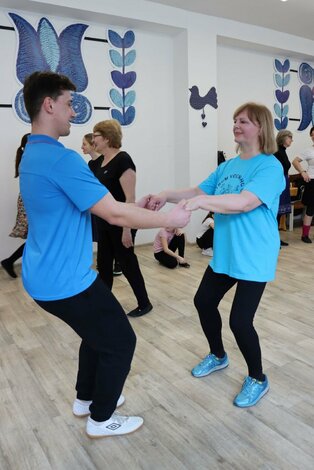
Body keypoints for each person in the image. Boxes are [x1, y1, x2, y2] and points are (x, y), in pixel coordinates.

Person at [19, 71, 190, 438]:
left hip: (44, 275)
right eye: (68, 104)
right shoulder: (62, 159)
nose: (73, 114)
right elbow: (113, 213)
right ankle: (101, 418)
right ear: (49, 105)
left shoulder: (31, 153)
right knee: (121, 342)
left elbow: (103, 203)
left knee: (95, 334)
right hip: (66, 280)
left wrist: (139, 206)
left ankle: (85, 399)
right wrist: (168, 218)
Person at [147, 102, 285, 408]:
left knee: (240, 321)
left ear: (260, 127)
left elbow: (245, 202)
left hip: (254, 254)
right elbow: (198, 191)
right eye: (235, 120)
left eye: (244, 121)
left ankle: (258, 378)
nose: (236, 125)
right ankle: (218, 355)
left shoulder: (270, 167)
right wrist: (165, 195)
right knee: (203, 301)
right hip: (227, 252)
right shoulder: (228, 166)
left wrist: (203, 203)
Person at [90, 119, 153, 317]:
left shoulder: (123, 160)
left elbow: (130, 199)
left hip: (122, 223)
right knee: (104, 264)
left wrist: (127, 229)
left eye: (95, 136)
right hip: (105, 222)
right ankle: (102, 304)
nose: (93, 140)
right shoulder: (99, 162)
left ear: (107, 138)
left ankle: (144, 303)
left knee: (127, 264)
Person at [82, 133, 122, 276]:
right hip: (96, 203)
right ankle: (104, 262)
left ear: (93, 145)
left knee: (112, 233)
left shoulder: (104, 161)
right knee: (101, 234)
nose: (82, 147)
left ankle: (118, 262)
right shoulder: (91, 164)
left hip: (108, 202)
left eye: (85, 144)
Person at [1, 133, 30, 278]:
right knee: (35, 239)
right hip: (29, 202)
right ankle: (10, 261)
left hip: (28, 200)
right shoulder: (28, 159)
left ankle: (10, 261)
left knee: (35, 239)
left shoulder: (26, 158)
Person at [292, 126, 314, 243]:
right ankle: (305, 235)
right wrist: (302, 172)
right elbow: (295, 161)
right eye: (313, 134)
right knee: (311, 209)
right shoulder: (308, 151)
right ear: (311, 136)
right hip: (312, 181)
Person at [274, 130, 293, 246]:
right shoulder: (276, 151)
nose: (291, 140)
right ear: (283, 138)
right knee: (276, 211)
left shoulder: (282, 151)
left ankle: (276, 238)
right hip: (278, 182)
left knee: (280, 212)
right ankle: (274, 240)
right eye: (290, 137)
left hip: (284, 180)